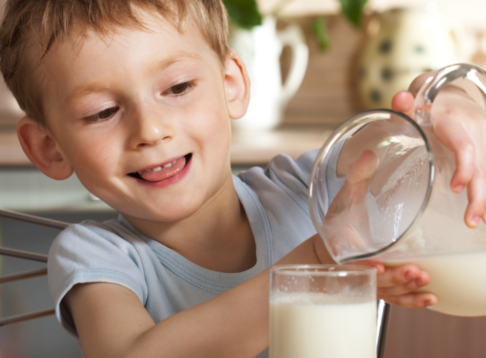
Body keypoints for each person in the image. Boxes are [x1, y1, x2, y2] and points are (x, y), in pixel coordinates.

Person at [0, 0, 485, 357]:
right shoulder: (96, 258)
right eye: (103, 112)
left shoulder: (308, 189)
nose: (150, 130)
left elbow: (417, 122)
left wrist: (455, 104)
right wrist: (316, 261)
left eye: (178, 87)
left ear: (231, 84)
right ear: (48, 147)